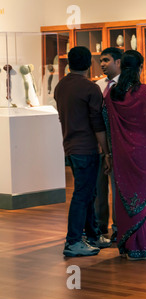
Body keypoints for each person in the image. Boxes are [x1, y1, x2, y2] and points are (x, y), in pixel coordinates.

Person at [104, 50, 146, 260]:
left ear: (122, 67)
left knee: (124, 197)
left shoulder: (112, 93)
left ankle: (128, 246)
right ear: (140, 68)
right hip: (143, 152)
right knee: (143, 199)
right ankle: (142, 247)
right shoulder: (143, 91)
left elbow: (107, 124)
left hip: (121, 153)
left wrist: (109, 153)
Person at [54, 46, 112, 257]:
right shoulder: (90, 88)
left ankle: (93, 235)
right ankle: (73, 241)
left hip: (70, 145)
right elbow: (97, 125)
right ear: (90, 64)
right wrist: (106, 152)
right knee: (82, 194)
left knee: (88, 192)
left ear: (69, 63)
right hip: (87, 148)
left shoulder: (61, 86)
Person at [95, 47, 122, 241]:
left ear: (118, 62)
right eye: (100, 61)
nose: (102, 64)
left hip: (119, 144)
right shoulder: (97, 85)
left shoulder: (125, 86)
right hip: (99, 143)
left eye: (106, 60)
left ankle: (118, 227)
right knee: (99, 187)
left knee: (117, 187)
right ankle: (99, 226)